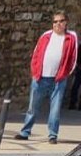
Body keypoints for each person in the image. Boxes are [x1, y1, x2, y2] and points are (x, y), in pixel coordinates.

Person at [16, 11, 78, 144]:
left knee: (55, 109)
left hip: (58, 79)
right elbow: (36, 53)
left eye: (61, 21)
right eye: (55, 22)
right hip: (40, 76)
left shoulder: (71, 37)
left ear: (66, 22)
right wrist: (34, 71)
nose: (58, 24)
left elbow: (73, 58)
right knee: (33, 106)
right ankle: (25, 131)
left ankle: (52, 135)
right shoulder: (46, 35)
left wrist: (65, 74)